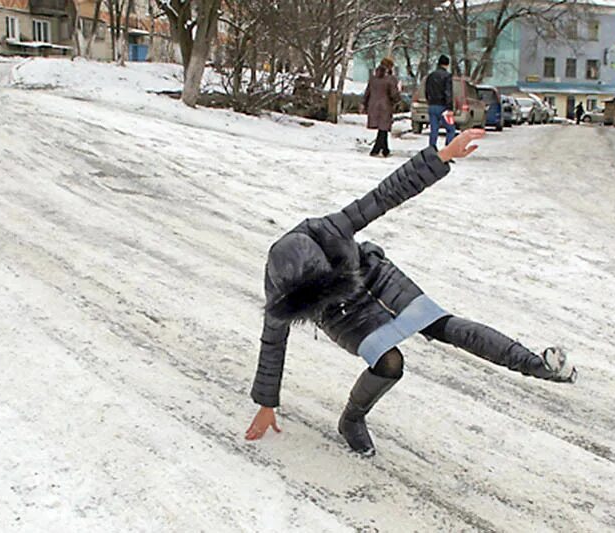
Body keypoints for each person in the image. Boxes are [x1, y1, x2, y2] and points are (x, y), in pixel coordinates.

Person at [245, 129, 577, 456]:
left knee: (443, 325)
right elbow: (273, 343)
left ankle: (535, 364)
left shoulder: (330, 229)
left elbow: (384, 195)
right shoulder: (281, 289)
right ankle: (352, 419)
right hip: (340, 314)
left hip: (371, 275)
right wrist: (266, 404)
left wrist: (442, 156)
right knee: (389, 362)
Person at [363, 57, 400, 157]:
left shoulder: (373, 78)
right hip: (385, 106)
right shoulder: (391, 79)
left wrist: (364, 104)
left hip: (373, 105)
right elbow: (393, 94)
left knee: (382, 128)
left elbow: (367, 92)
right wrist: (397, 100)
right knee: (383, 128)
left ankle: (385, 149)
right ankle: (376, 149)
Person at [425, 55, 456, 149]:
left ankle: (432, 149)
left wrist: (429, 101)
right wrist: (450, 107)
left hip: (432, 106)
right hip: (443, 106)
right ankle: (448, 149)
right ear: (447, 64)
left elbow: (426, 91)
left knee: (434, 130)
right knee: (450, 129)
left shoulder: (430, 76)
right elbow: (448, 92)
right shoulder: (447, 76)